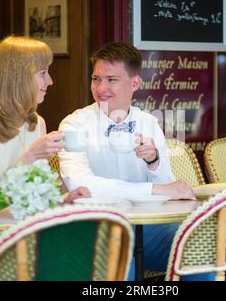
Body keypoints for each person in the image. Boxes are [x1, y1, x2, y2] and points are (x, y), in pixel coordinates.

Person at [58, 42, 212, 280]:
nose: (101, 88)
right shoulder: (74, 125)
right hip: (97, 227)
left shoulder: (148, 122)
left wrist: (154, 161)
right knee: (120, 259)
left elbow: (168, 187)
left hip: (148, 227)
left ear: (135, 83)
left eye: (111, 80)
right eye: (96, 78)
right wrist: (154, 189)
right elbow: (82, 186)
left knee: (197, 249)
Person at [0, 36, 91, 281]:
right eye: (43, 73)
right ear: (18, 76)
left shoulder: (36, 122)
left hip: (29, 232)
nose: (50, 81)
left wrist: (64, 198)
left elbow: (35, 192)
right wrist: (30, 155)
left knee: (93, 254)